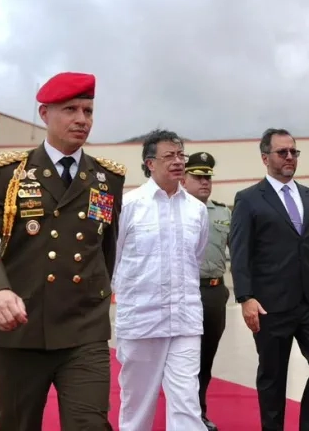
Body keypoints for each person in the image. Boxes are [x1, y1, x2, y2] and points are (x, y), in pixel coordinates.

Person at [0, 72, 126, 431]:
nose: (82, 119)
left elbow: (106, 248)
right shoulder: (8, 172)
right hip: (20, 327)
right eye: (70, 109)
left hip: (84, 329)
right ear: (44, 114)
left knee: (90, 424)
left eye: (88, 111)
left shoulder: (106, 178)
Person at [229, 128, 309, 431]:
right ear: (265, 158)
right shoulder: (249, 200)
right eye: (283, 152)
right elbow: (240, 252)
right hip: (270, 305)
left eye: (294, 151)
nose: (290, 157)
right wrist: (245, 297)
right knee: (273, 377)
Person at [113, 130, 208, 431]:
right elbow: (112, 260)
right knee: (138, 403)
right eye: (169, 156)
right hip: (141, 320)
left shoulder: (197, 210)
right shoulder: (128, 206)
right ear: (150, 163)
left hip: (185, 320)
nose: (178, 161)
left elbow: (196, 258)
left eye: (181, 155)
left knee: (187, 402)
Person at [181, 151, 231, 431]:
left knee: (205, 358)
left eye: (208, 178)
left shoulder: (223, 213)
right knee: (183, 359)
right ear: (184, 180)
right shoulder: (176, 210)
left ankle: (198, 413)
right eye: (198, 177)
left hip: (213, 292)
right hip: (185, 292)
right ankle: (183, 413)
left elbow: (239, 253)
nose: (204, 182)